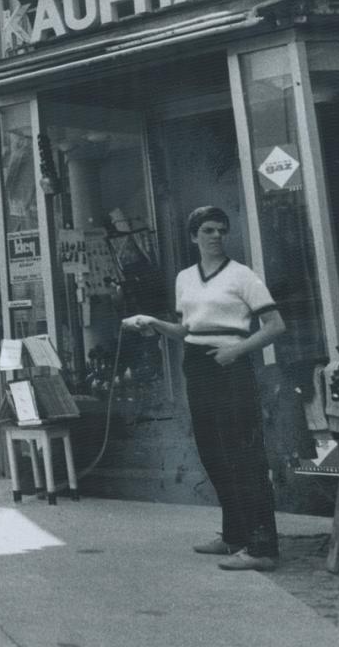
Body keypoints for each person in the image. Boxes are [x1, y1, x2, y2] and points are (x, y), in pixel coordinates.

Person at [122, 206, 286, 571]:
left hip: (232, 364)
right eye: (208, 230)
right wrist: (152, 322)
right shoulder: (185, 278)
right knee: (213, 452)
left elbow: (275, 325)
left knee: (244, 454)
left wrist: (235, 351)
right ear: (193, 235)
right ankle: (234, 536)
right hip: (197, 365)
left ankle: (263, 549)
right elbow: (186, 330)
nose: (216, 236)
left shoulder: (243, 275)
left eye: (221, 231)